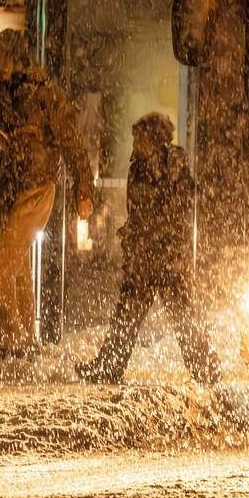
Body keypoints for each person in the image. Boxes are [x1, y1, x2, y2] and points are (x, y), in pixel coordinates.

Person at [76, 112, 220, 386]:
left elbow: (174, 210)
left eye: (139, 137)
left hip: (163, 255)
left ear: (154, 139)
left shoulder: (169, 168)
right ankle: (111, 366)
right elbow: (144, 211)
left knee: (178, 314)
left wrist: (148, 232)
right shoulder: (142, 167)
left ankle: (204, 367)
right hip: (147, 255)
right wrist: (134, 231)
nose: (135, 143)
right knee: (131, 314)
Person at [0, 30, 94, 356]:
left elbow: (71, 142)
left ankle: (11, 338)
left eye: (2, 59)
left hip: (35, 188)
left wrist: (84, 189)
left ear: (16, 59)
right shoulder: (0, 93)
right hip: (8, 190)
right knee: (15, 266)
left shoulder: (44, 94)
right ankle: (18, 339)